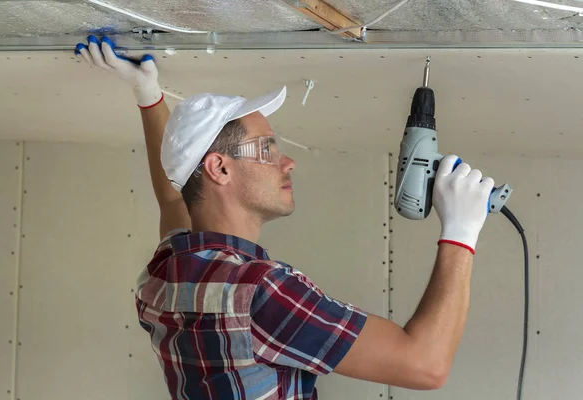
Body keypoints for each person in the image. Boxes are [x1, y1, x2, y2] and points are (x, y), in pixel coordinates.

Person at [76, 35, 495, 400]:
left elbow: (174, 196)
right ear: (220, 169)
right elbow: (425, 365)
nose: (288, 162)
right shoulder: (260, 292)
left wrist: (147, 95)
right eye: (267, 149)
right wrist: (461, 232)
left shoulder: (166, 274)